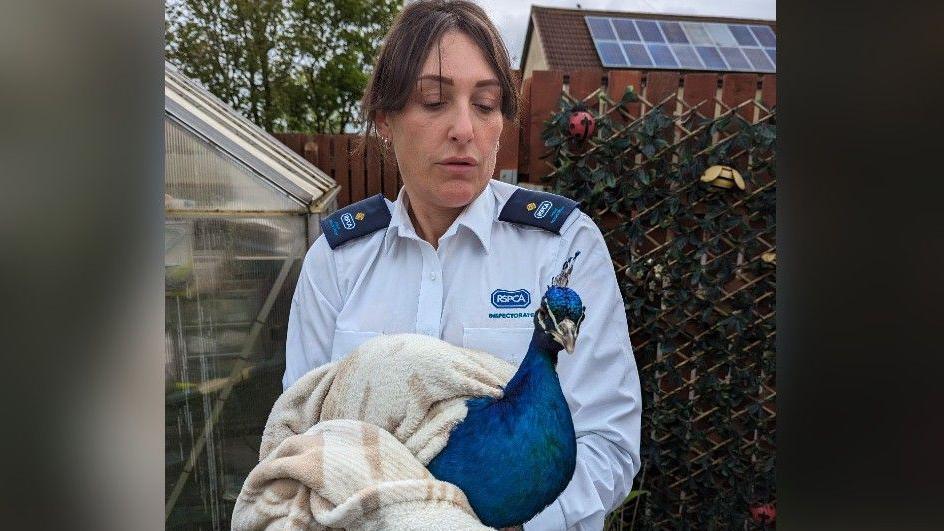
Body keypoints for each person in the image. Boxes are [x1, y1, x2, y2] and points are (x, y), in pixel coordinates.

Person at [283, 1, 641, 529]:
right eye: (433, 101)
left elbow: (606, 444)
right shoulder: (337, 262)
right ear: (385, 118)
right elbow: (304, 439)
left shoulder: (563, 249)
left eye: (487, 104)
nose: (464, 129)